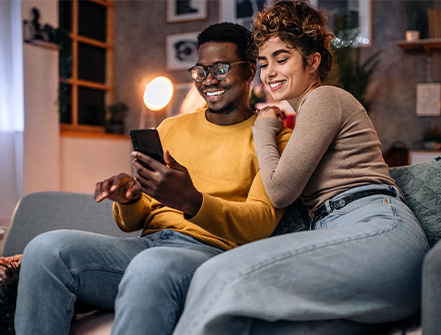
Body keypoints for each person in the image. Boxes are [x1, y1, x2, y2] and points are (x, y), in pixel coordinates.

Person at [14, 22, 291, 335]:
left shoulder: (273, 139)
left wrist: (192, 201)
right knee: (45, 249)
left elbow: (262, 221)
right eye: (200, 71)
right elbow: (135, 221)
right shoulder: (171, 127)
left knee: (152, 266)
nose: (208, 80)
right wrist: (131, 198)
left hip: (212, 257)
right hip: (147, 246)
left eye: (221, 68)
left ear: (249, 71)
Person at [172, 2, 429, 335]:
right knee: (253, 326)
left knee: (217, 273)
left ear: (312, 61)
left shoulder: (325, 99)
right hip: (356, 249)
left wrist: (262, 129)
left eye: (282, 59)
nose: (270, 73)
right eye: (264, 63)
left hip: (377, 232)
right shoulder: (301, 122)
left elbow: (279, 191)